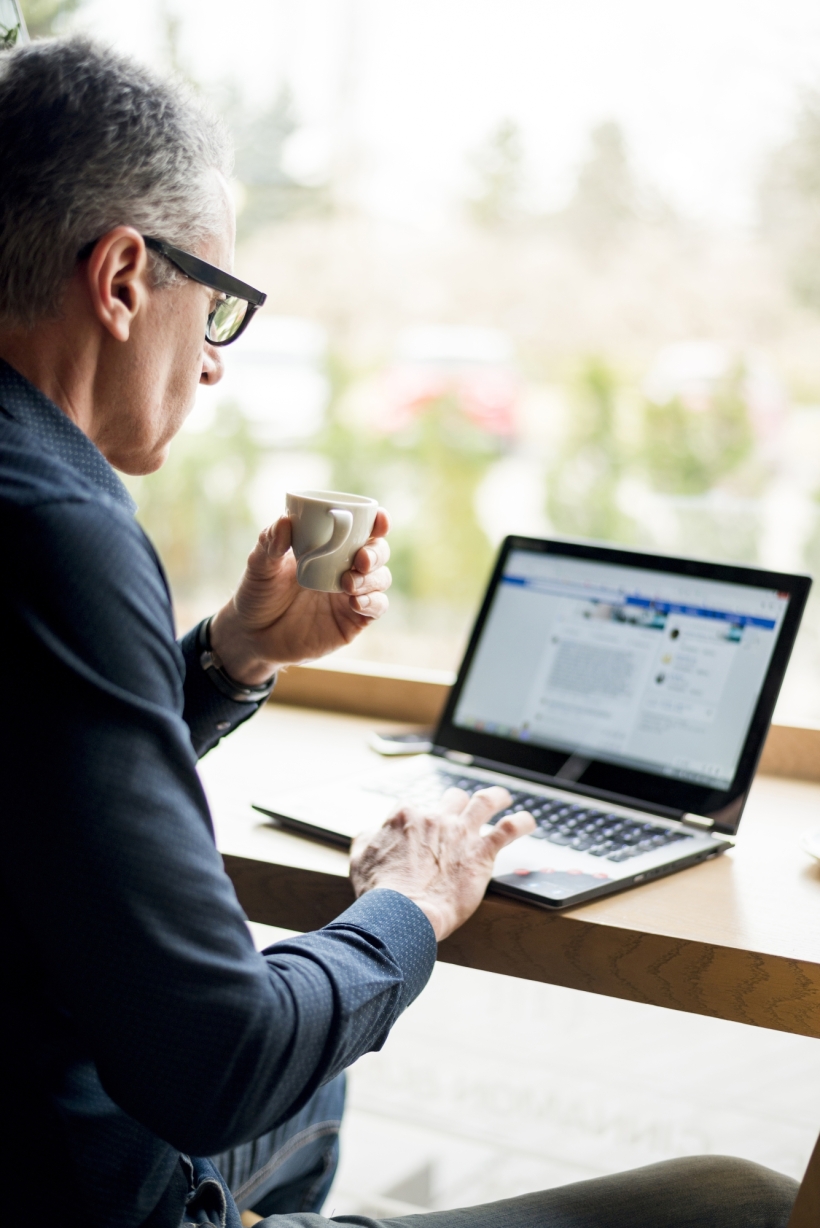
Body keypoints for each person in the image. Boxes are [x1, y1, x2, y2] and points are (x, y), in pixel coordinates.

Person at [0, 35, 799, 1228]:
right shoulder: (62, 523)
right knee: (737, 1199)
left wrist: (232, 655)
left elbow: (37, 758)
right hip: (69, 1185)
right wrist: (410, 901)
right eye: (214, 305)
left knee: (316, 1097)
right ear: (121, 280)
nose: (214, 366)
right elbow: (218, 1064)